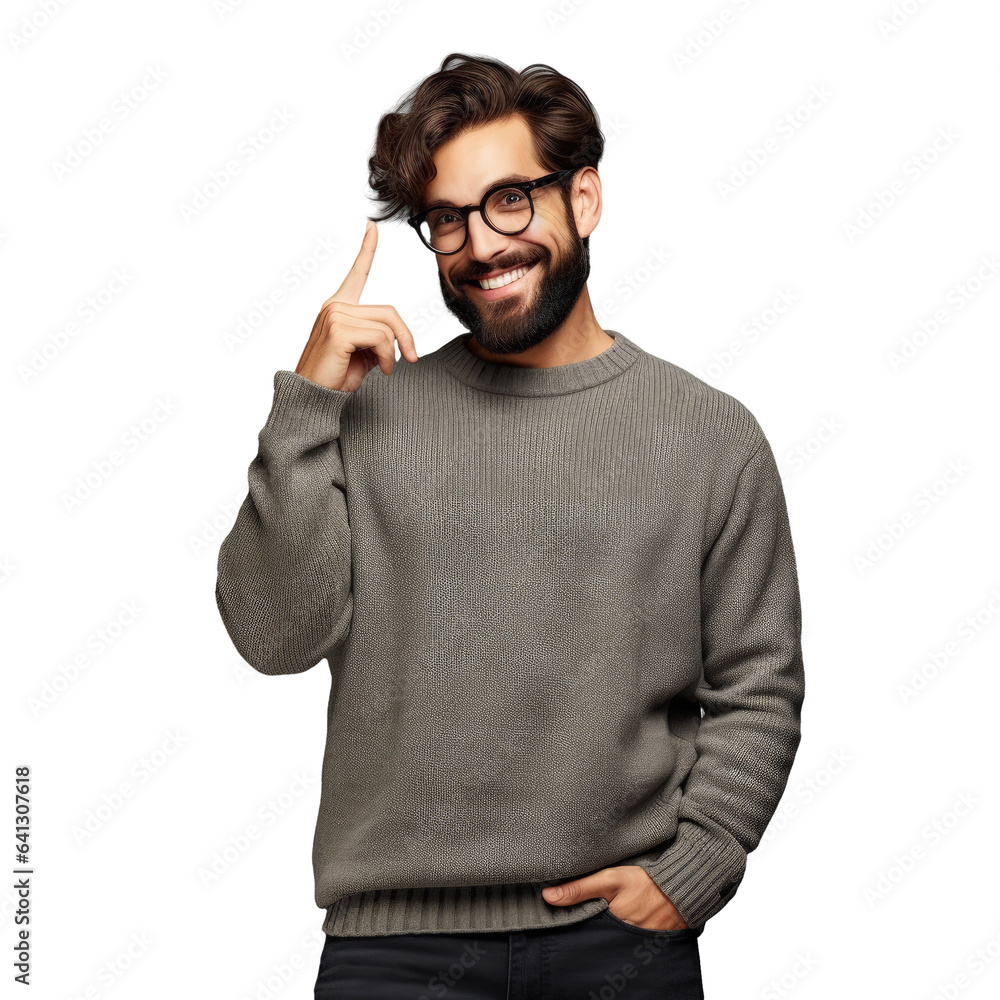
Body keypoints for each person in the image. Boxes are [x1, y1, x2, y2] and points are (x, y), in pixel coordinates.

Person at [215, 53, 806, 1000]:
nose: (480, 245)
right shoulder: (368, 414)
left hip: (617, 946)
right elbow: (275, 637)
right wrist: (306, 405)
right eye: (447, 219)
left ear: (585, 197)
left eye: (510, 202)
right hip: (390, 953)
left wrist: (694, 869)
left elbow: (758, 684)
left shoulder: (708, 436)